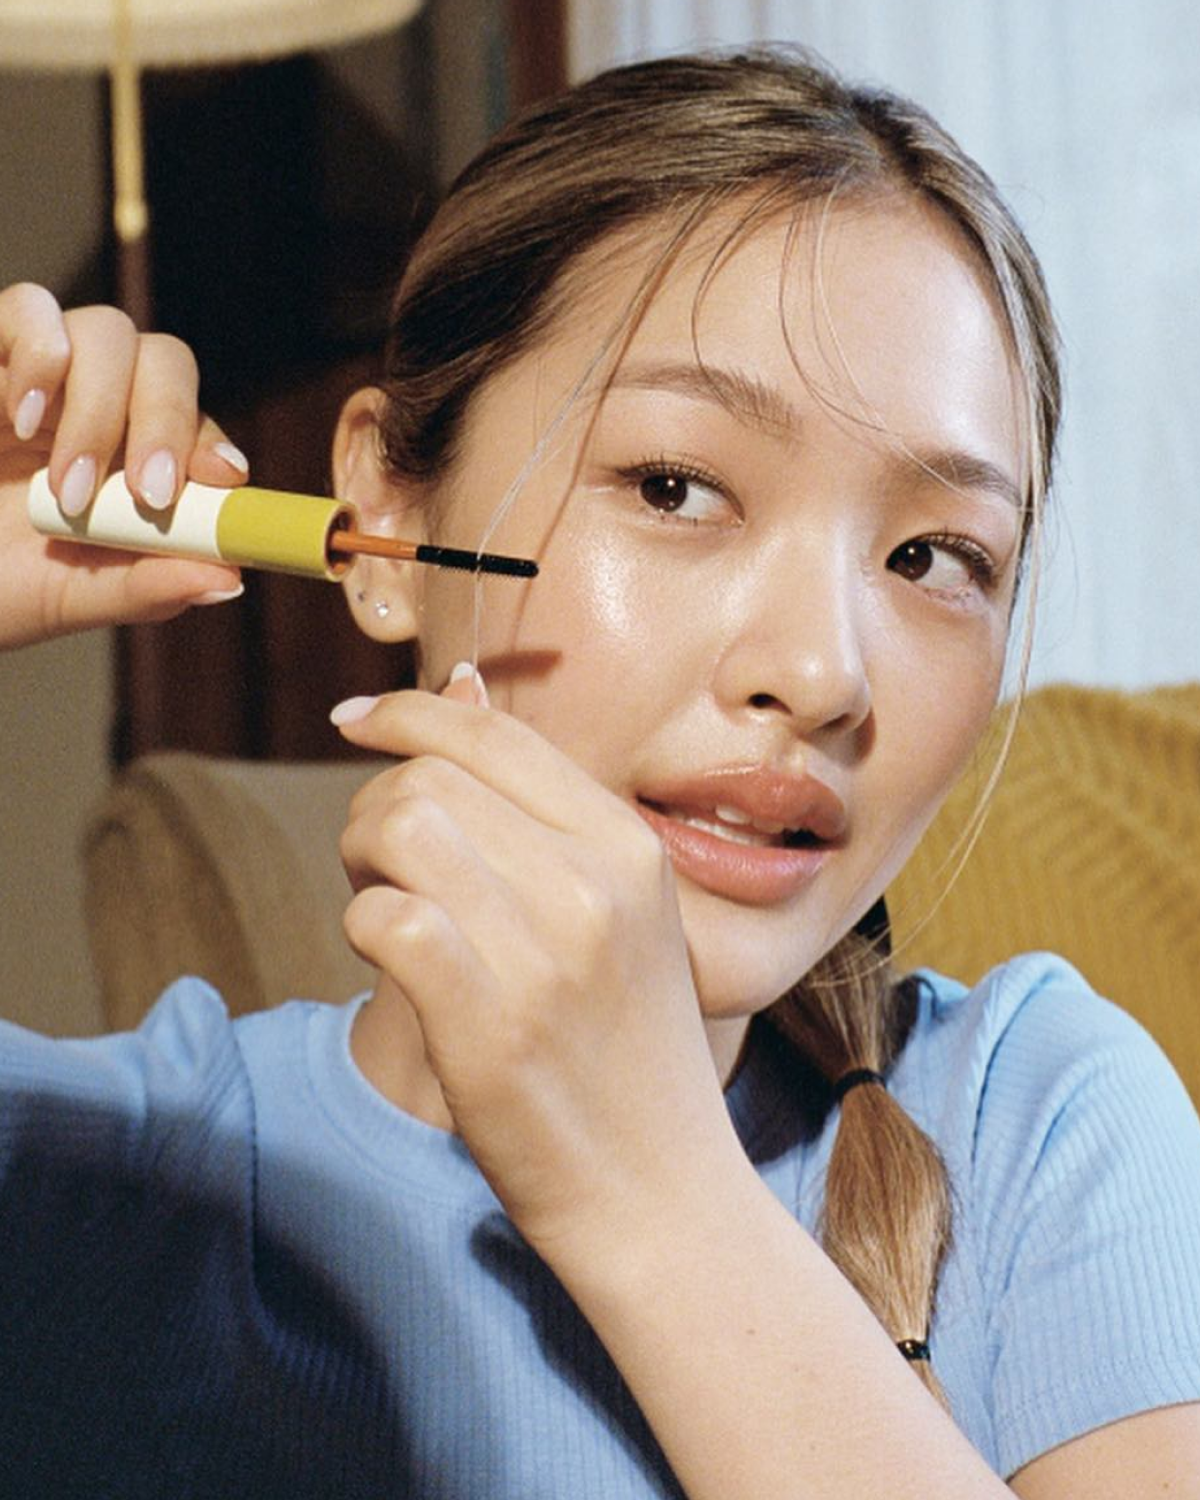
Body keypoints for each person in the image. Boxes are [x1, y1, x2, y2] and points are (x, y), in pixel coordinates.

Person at [2, 47, 1199, 1500]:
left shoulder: (1044, 1126)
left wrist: (647, 1186)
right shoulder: (95, 1186)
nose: (823, 673)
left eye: (934, 558)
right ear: (383, 517)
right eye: (675, 487)